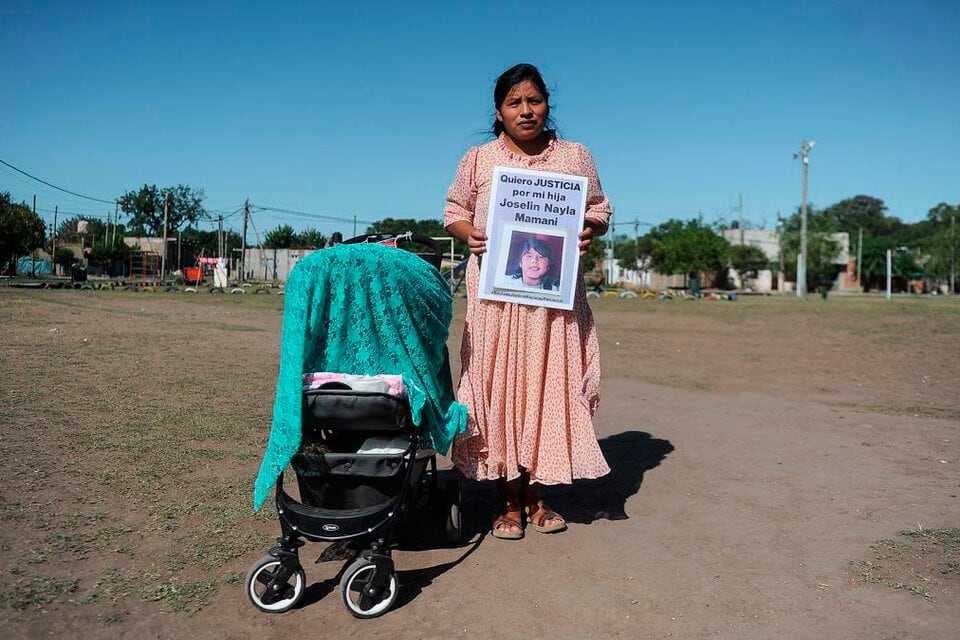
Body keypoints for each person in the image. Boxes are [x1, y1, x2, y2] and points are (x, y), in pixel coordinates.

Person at [444, 63, 612, 539]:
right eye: (515, 102)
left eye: (534, 100)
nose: (526, 110)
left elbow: (598, 207)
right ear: (498, 111)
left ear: (547, 105)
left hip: (553, 305)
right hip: (496, 303)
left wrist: (588, 230)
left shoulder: (575, 156)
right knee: (500, 388)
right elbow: (453, 209)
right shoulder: (478, 159)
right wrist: (470, 233)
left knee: (547, 390)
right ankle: (507, 499)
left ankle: (539, 496)